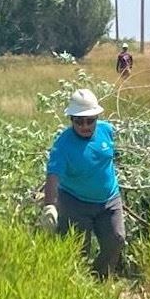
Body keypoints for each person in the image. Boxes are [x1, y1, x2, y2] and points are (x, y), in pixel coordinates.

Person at [40, 88, 125, 278]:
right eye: (79, 121)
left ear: (97, 117)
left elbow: (111, 158)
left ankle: (98, 279)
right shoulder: (63, 144)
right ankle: (76, 286)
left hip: (109, 200)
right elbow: (53, 175)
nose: (85, 125)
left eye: (90, 120)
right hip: (74, 202)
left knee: (116, 240)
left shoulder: (107, 131)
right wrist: (49, 206)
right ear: (71, 120)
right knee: (77, 249)